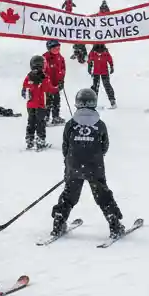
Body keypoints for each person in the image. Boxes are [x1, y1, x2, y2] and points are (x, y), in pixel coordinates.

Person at [50, 88, 126, 238]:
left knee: (69, 195)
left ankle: (59, 220)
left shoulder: (71, 124)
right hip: (94, 167)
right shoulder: (100, 125)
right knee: (103, 195)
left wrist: (71, 165)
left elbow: (65, 146)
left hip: (74, 166)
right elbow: (105, 146)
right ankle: (114, 222)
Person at [22, 55, 56, 149]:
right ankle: (40, 140)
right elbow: (48, 89)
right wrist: (57, 88)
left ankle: (29, 139)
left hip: (30, 105)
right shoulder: (44, 77)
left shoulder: (28, 76)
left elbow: (24, 89)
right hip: (40, 104)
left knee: (31, 121)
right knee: (40, 122)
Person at [43, 40, 68, 124]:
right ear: (49, 49)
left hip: (57, 83)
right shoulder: (45, 57)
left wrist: (62, 80)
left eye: (58, 48)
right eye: (55, 48)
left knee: (57, 100)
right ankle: (45, 117)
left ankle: (55, 117)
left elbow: (63, 69)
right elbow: (43, 71)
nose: (57, 49)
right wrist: (46, 81)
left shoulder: (60, 57)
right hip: (48, 84)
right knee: (48, 101)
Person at [87, 43, 116, 108]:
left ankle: (112, 101)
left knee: (107, 86)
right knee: (95, 87)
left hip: (104, 72)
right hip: (96, 72)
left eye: (100, 52)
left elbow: (110, 60)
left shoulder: (106, 53)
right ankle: (93, 102)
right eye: (98, 52)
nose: (99, 54)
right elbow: (89, 60)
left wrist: (111, 66)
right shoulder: (93, 53)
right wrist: (89, 67)